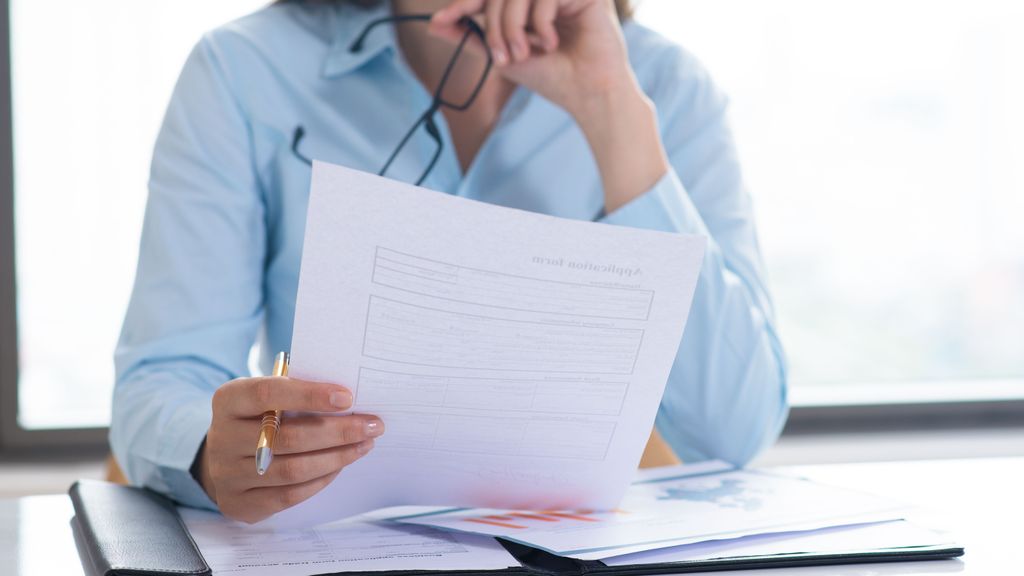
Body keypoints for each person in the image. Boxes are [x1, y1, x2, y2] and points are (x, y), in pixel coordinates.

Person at [111, 0, 788, 523]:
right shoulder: (243, 70)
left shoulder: (665, 85)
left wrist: (610, 107)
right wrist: (210, 453)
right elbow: (162, 378)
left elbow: (733, 430)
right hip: (326, 542)